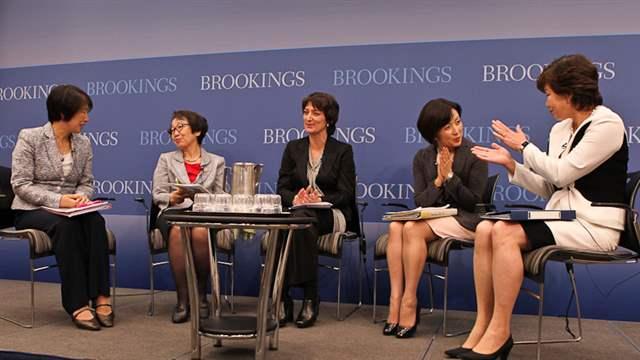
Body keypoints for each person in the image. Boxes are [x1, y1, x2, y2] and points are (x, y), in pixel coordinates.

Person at [448, 54, 628, 360]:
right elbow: (550, 186)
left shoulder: (607, 124)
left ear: (569, 94)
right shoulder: (560, 130)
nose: (547, 104)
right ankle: (483, 324)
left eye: (549, 95)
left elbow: (562, 172)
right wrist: (511, 164)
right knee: (485, 228)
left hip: (594, 227)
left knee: (505, 234)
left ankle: (500, 331)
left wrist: (524, 147)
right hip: (563, 218)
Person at [11, 84, 113, 331]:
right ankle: (77, 303)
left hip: (71, 209)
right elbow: (20, 184)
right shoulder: (30, 137)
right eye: (83, 112)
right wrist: (57, 201)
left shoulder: (84, 143)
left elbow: (86, 183)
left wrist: (80, 198)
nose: (86, 119)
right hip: (31, 210)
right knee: (66, 227)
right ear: (63, 113)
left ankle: (101, 296)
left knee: (96, 221)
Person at [383, 99, 488, 338]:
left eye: (458, 123)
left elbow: (473, 201)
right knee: (397, 226)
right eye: (448, 127)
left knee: (411, 228)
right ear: (434, 133)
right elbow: (421, 201)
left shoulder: (474, 155)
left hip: (467, 220)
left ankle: (409, 300)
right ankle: (395, 299)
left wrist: (450, 176)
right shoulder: (422, 157)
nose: (457, 130)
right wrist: (438, 181)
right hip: (434, 217)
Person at [276, 91, 359, 328]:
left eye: (316, 112)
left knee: (300, 219)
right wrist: (297, 197)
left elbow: (346, 194)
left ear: (329, 119)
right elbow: (281, 187)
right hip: (300, 213)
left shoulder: (343, 150)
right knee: (292, 222)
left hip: (333, 213)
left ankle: (297, 296)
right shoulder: (293, 148)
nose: (309, 117)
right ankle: (292, 298)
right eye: (306, 112)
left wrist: (319, 196)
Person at [152, 110, 226, 323]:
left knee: (201, 232)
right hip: (174, 211)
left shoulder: (216, 162)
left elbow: (221, 194)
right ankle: (183, 299)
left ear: (197, 131)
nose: (175, 133)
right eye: (172, 129)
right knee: (178, 231)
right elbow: (157, 193)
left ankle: (201, 296)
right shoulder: (166, 159)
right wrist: (172, 197)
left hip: (204, 213)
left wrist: (206, 197)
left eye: (180, 127)